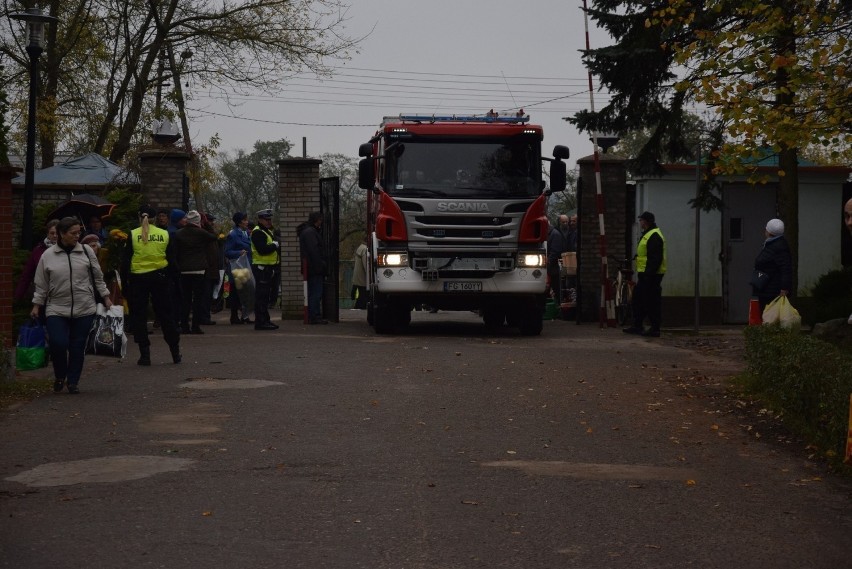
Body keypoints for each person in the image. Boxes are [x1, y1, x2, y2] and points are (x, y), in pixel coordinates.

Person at [31, 216, 113, 394]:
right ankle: (60, 375)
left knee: (78, 345)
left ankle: (73, 381)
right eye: (73, 233)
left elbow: (98, 277)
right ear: (61, 234)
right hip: (56, 307)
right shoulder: (48, 255)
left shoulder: (86, 252)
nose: (77, 236)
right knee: (58, 343)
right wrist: (37, 305)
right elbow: (41, 283)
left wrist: (106, 296)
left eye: (79, 232)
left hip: (84, 307)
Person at [121, 205, 181, 366]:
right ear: (155, 218)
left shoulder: (133, 234)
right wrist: (174, 281)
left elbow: (126, 260)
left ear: (139, 217)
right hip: (160, 278)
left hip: (138, 279)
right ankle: (175, 352)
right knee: (166, 315)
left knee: (139, 316)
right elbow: (172, 260)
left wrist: (125, 285)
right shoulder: (165, 234)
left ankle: (145, 354)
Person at [174, 210, 217, 334]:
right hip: (199, 270)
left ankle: (184, 325)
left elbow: (175, 252)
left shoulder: (179, 234)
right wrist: (207, 224)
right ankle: (195, 326)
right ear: (198, 221)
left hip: (184, 270)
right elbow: (213, 236)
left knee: (185, 299)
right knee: (198, 299)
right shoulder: (201, 233)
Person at [624, 211, 666, 337]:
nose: (640, 222)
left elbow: (655, 258)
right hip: (645, 273)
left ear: (646, 221)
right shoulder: (648, 234)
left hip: (651, 275)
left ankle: (654, 328)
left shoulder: (653, 235)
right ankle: (638, 325)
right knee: (639, 299)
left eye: (641, 220)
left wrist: (649, 273)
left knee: (650, 301)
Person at [750, 218, 792, 312]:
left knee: (769, 315)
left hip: (772, 290)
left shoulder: (778, 246)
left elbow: (785, 268)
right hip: (767, 287)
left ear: (768, 231)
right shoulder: (772, 244)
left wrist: (784, 287)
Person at [15, 219, 59, 302]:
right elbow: (27, 273)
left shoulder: (66, 249)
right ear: (47, 234)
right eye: (52, 233)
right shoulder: (38, 250)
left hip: (60, 293)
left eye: (57, 233)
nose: (55, 236)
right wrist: (19, 294)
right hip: (42, 293)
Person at [250, 209, 280, 330]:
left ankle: (265, 320)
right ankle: (261, 322)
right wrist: (274, 245)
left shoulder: (266, 231)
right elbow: (262, 250)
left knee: (265, 296)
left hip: (267, 268)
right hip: (261, 267)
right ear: (260, 220)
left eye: (269, 219)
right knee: (261, 296)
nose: (269, 221)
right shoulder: (258, 232)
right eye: (266, 219)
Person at [298, 211, 328, 324]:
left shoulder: (307, 232)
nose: (321, 222)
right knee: (316, 292)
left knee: (313, 292)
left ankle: (313, 315)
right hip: (314, 268)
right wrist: (321, 265)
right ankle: (314, 316)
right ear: (317, 220)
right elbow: (314, 251)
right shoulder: (311, 233)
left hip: (311, 267)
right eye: (320, 220)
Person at [225, 211, 253, 324]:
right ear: (239, 222)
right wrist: (239, 252)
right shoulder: (233, 234)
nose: (247, 222)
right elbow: (228, 252)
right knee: (236, 293)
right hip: (237, 267)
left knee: (246, 293)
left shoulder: (246, 233)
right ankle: (234, 316)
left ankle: (245, 316)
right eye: (245, 220)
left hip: (246, 267)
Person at [547, 214, 571, 302]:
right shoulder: (555, 233)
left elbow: (555, 251)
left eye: (566, 222)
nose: (565, 224)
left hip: (554, 267)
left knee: (557, 287)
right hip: (553, 266)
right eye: (563, 222)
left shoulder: (555, 234)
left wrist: (548, 262)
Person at [351, 236, 368, 310]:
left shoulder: (360, 248)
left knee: (361, 293)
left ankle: (357, 307)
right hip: (362, 276)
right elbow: (365, 264)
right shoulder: (365, 249)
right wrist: (368, 272)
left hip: (358, 275)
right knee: (363, 294)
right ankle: (359, 307)